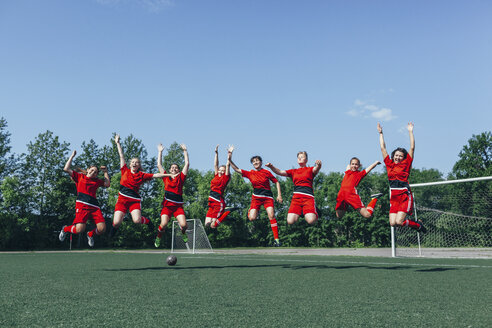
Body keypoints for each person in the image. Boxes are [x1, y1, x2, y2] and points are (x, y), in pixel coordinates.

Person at [108, 134, 166, 238]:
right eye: (133, 162)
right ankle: (113, 230)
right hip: (122, 199)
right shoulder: (124, 170)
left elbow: (156, 175)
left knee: (137, 221)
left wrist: (169, 174)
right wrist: (117, 143)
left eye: (137, 162)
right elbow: (121, 155)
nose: (134, 163)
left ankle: (148, 222)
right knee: (116, 223)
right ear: (130, 164)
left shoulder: (142, 175)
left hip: (134, 200)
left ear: (139, 165)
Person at [377, 122, 426, 232]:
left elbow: (412, 148)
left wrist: (410, 131)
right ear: (393, 155)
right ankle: (417, 224)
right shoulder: (389, 164)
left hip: (404, 196)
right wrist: (381, 133)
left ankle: (418, 225)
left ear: (403, 158)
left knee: (399, 222)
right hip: (394, 198)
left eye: (400, 156)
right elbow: (382, 148)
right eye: (396, 155)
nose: (398, 157)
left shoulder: (406, 164)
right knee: (393, 223)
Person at [59, 150, 110, 247]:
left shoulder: (96, 181)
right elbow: (66, 168)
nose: (93, 172)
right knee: (79, 229)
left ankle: (90, 234)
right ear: (87, 170)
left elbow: (107, 184)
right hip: (82, 205)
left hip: (94, 207)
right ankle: (65, 229)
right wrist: (72, 156)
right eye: (92, 170)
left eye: (95, 172)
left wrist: (105, 172)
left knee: (102, 229)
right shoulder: (79, 177)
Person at [230, 154, 283, 246]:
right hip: (256, 198)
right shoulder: (250, 173)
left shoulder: (267, 172)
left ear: (261, 162)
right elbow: (236, 169)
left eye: (257, 160)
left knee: (272, 215)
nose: (255, 162)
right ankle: (250, 211)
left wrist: (279, 195)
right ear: (252, 164)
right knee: (252, 218)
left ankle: (277, 240)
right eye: (253, 161)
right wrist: (229, 159)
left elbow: (276, 182)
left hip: (267, 197)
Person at [266, 151, 322, 225]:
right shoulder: (293, 171)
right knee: (290, 221)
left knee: (311, 221)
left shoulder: (310, 169)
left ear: (306, 160)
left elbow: (316, 169)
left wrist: (319, 165)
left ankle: (315, 211)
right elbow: (280, 172)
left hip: (308, 197)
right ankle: (302, 211)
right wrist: (271, 167)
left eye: (302, 157)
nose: (299, 158)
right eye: (298, 157)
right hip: (296, 198)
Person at [154, 143, 190, 247]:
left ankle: (183, 233)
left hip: (178, 207)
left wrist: (185, 151)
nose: (174, 169)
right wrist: (160, 151)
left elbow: (187, 164)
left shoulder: (181, 178)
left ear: (178, 170)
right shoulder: (166, 177)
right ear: (169, 170)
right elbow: (159, 165)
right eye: (172, 168)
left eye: (176, 168)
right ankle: (158, 237)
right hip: (167, 206)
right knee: (163, 224)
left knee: (184, 225)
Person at [207, 145, 234, 229]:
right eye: (220, 170)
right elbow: (215, 165)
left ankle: (226, 212)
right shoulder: (216, 175)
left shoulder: (225, 178)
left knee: (213, 226)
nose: (221, 171)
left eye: (223, 170)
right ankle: (224, 214)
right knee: (207, 224)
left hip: (218, 200)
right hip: (211, 200)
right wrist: (216, 153)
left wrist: (229, 154)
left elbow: (228, 165)